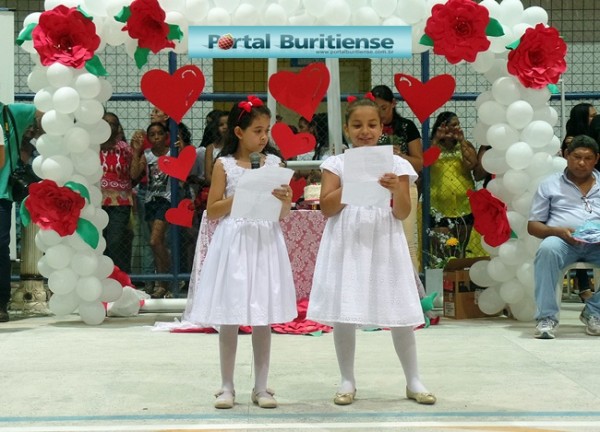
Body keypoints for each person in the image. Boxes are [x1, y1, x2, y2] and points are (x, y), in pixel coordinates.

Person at [307, 97, 435, 406]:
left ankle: (413, 379)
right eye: (357, 125)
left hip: (384, 237)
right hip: (348, 238)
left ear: (381, 128)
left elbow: (402, 212)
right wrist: (352, 183)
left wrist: (395, 189)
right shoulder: (336, 163)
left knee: (399, 309)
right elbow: (327, 207)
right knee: (345, 310)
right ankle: (347, 380)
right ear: (346, 129)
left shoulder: (397, 164)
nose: (365, 131)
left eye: (372, 125)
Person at [186, 96, 296, 410]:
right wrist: (241, 195)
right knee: (230, 314)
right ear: (238, 132)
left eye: (267, 130)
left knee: (262, 316)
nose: (264, 137)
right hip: (234, 241)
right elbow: (212, 210)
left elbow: (282, 214)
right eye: (257, 131)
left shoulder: (274, 164)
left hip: (264, 241)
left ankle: (261, 387)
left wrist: (285, 200)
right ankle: (226, 386)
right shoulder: (225, 165)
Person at [529, 135, 600, 339]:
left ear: (596, 159)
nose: (581, 163)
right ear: (566, 155)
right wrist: (557, 231)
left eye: (588, 158)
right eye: (576, 157)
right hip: (562, 241)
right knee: (547, 249)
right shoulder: (549, 184)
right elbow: (533, 226)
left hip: (597, 243)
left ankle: (594, 311)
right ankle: (546, 318)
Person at [371, 85, 423, 269]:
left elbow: (419, 163)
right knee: (379, 240)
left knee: (407, 240)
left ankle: (414, 284)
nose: (380, 113)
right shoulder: (370, 129)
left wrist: (401, 156)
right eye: (376, 108)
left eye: (384, 108)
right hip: (377, 188)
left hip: (404, 186)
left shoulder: (407, 127)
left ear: (393, 104)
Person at [0, 101, 36, 322]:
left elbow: (48, 111)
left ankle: (0, 302)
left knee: (0, 249)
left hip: (1, 195)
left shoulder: (11, 113)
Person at [131, 122, 173, 298]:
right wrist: (137, 152)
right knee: (157, 244)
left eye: (160, 133)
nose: (156, 137)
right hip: (150, 200)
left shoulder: (172, 152)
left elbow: (185, 171)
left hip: (167, 199)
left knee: (155, 241)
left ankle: (169, 276)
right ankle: (162, 284)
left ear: (166, 136)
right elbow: (134, 174)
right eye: (152, 134)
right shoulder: (147, 155)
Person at [428, 111, 478, 259]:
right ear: (440, 126)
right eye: (449, 126)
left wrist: (462, 141)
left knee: (459, 250)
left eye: (456, 125)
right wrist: (436, 139)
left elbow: (472, 164)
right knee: (441, 251)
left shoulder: (464, 146)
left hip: (464, 206)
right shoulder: (433, 147)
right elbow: (425, 163)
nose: (453, 129)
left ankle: (458, 274)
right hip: (438, 208)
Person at [560, 103, 597, 299]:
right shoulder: (571, 142)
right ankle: (583, 286)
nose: (595, 119)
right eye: (591, 116)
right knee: (578, 235)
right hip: (575, 197)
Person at [100, 112, 134, 273]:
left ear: (118, 127)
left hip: (120, 202)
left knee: (115, 241)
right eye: (106, 122)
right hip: (97, 202)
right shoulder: (91, 146)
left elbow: (134, 173)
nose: (109, 126)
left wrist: (138, 152)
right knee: (99, 241)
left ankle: (119, 275)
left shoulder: (125, 148)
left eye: (113, 123)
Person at [203, 110, 228, 185]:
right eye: (221, 125)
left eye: (228, 124)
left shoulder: (239, 146)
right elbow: (208, 177)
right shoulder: (211, 148)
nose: (225, 127)